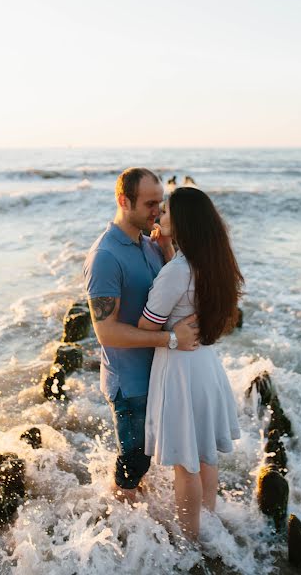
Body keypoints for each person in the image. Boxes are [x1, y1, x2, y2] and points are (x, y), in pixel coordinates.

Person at [83, 168, 199, 504]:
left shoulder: (149, 244)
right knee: (133, 463)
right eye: (150, 204)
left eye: (160, 203)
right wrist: (171, 339)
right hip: (130, 383)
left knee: (147, 456)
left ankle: (135, 508)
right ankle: (123, 531)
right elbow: (106, 332)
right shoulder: (105, 256)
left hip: (158, 372)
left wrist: (165, 249)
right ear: (124, 201)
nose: (158, 212)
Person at [138, 186, 244, 541]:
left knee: (186, 465)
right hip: (207, 366)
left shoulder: (177, 272)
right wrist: (169, 251)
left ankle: (189, 542)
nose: (158, 217)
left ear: (182, 221)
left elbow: (146, 326)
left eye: (166, 212)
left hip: (180, 368)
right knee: (205, 455)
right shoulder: (215, 263)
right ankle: (208, 526)